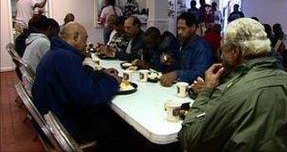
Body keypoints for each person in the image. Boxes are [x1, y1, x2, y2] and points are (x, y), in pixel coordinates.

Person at [178, 18, 287, 152]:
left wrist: (207, 91)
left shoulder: (230, 93)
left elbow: (190, 138)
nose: (221, 56)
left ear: (235, 52)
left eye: (223, 48)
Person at [33, 22, 142, 151]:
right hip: (66, 127)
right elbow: (89, 96)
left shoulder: (56, 54)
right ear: (75, 37)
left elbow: (78, 80)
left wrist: (101, 74)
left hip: (56, 117)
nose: (86, 44)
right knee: (121, 125)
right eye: (85, 39)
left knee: (109, 115)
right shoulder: (64, 57)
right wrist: (113, 81)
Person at [160, 12, 213, 86]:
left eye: (183, 28)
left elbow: (200, 74)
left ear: (193, 27)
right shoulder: (184, 43)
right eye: (178, 28)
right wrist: (171, 62)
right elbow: (182, 67)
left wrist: (177, 74)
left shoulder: (202, 47)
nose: (180, 32)